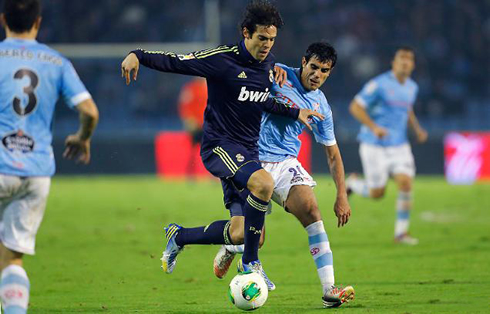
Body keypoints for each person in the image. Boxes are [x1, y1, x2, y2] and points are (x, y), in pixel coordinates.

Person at [120, 0, 322, 289]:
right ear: (246, 33)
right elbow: (178, 62)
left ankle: (178, 236)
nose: (267, 45)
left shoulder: (268, 65)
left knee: (245, 233)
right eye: (262, 38)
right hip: (220, 146)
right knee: (263, 184)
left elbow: (261, 100)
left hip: (248, 152)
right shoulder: (221, 59)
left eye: (272, 39)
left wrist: (295, 111)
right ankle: (250, 264)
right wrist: (137, 54)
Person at [213, 42, 355, 308]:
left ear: (329, 73)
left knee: (312, 211)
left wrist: (342, 194)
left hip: (285, 164)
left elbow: (333, 154)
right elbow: (250, 66)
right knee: (255, 237)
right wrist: (271, 67)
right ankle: (233, 246)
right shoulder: (276, 73)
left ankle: (329, 289)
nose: (317, 74)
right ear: (303, 62)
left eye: (324, 71)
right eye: (313, 67)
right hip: (251, 161)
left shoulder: (321, 106)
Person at [0, 0, 99, 313]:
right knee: (12, 258)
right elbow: (89, 111)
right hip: (36, 173)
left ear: (3, 20)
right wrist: (82, 138)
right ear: (38, 23)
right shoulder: (55, 62)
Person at [346, 46, 427, 245]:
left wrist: (417, 128)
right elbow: (355, 107)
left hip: (399, 145)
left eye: (409, 59)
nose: (405, 63)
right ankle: (353, 184)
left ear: (413, 65)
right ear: (394, 62)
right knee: (377, 193)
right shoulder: (379, 85)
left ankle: (401, 233)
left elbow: (406, 109)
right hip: (374, 145)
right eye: (402, 59)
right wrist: (374, 127)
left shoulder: (412, 87)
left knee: (406, 183)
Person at [177, 77, 207, 178]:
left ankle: (214, 174)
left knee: (213, 150)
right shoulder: (191, 88)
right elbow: (185, 105)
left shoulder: (212, 87)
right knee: (192, 150)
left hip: (210, 125)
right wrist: (188, 119)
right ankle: (190, 173)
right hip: (196, 125)